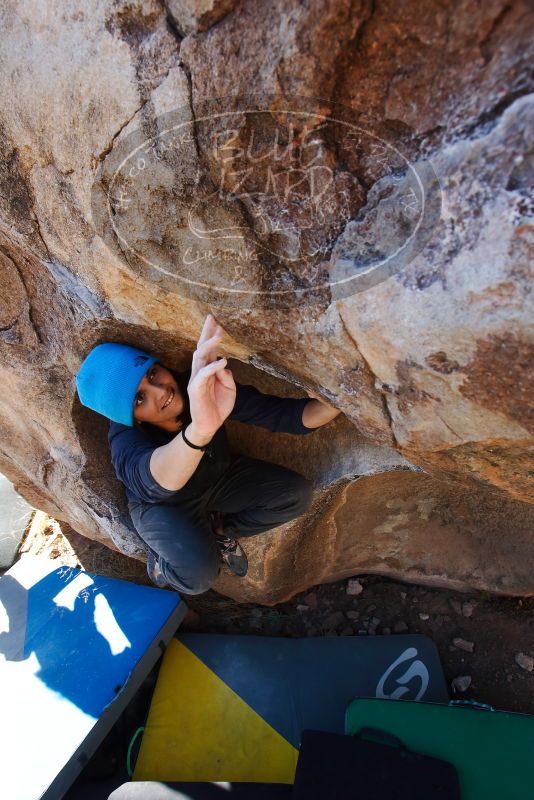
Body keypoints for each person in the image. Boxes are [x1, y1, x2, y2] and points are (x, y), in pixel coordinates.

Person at [75, 314, 340, 595]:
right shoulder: (124, 437)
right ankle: (162, 564)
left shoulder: (196, 387)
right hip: (166, 508)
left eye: (152, 373)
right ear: (131, 417)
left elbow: (285, 416)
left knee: (294, 495)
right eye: (139, 398)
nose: (160, 390)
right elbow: (154, 480)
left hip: (217, 478)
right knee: (200, 576)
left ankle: (220, 531)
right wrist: (201, 428)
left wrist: (337, 402)